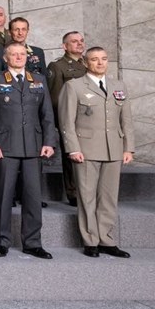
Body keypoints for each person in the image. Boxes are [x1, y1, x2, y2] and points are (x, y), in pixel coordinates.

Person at [0, 43, 57, 259]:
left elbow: (47, 116)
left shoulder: (39, 80)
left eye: (22, 54)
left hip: (34, 146)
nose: (18, 57)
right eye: (13, 54)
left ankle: (33, 242)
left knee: (33, 197)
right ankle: (1, 241)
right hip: (5, 146)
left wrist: (49, 142)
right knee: (4, 196)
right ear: (5, 58)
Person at [59, 46, 134, 258]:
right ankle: (90, 239)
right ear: (85, 62)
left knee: (109, 197)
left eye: (103, 59)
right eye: (94, 59)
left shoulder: (118, 86)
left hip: (114, 149)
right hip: (86, 149)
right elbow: (67, 122)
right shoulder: (73, 86)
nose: (100, 63)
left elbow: (126, 120)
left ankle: (106, 239)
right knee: (87, 196)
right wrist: (73, 148)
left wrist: (129, 147)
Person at [47, 31, 88, 207]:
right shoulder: (58, 66)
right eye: (74, 41)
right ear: (65, 46)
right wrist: (62, 123)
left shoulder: (90, 63)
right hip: (71, 120)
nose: (79, 44)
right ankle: (73, 192)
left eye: (81, 41)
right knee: (72, 157)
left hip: (91, 122)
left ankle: (89, 191)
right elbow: (56, 99)